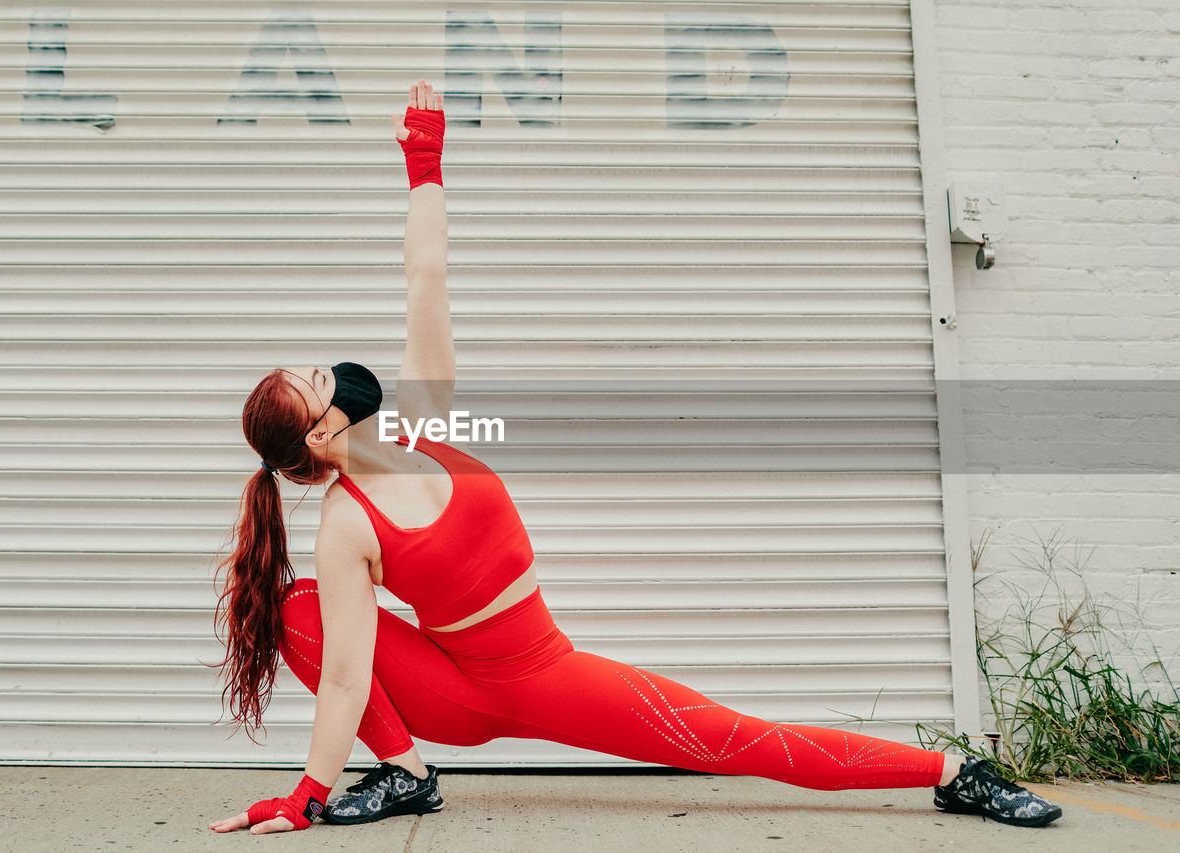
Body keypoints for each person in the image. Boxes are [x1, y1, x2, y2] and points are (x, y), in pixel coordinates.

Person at [209, 80, 1062, 835]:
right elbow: (346, 678)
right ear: (320, 437)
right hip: (463, 692)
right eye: (315, 380)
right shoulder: (345, 525)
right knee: (302, 612)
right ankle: (406, 773)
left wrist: (425, 168)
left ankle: (956, 774)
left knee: (729, 737)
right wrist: (307, 794)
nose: (330, 368)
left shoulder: (419, 423)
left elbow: (424, 279)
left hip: (546, 670)